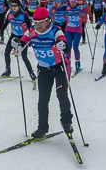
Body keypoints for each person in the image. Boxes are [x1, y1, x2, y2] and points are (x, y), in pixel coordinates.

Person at [19, 7, 72, 138]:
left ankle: (66, 122)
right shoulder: (31, 31)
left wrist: (62, 45)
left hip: (59, 68)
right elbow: (22, 41)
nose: (38, 25)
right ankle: (42, 128)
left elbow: (65, 45)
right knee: (43, 100)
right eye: (36, 22)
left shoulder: (55, 30)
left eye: (42, 22)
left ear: (48, 21)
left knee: (61, 96)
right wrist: (18, 44)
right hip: (43, 70)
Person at [1, 0, 35, 79]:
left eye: (15, 6)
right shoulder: (10, 14)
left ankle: (31, 72)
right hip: (14, 35)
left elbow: (30, 28)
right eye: (12, 5)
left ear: (19, 6)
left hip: (23, 37)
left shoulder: (24, 15)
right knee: (7, 52)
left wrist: (30, 39)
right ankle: (8, 69)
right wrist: (0, 33)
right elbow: (5, 23)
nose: (13, 7)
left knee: (24, 56)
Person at [62, 0, 85, 74]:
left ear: (76, 2)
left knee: (75, 47)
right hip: (68, 30)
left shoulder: (80, 7)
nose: (72, 3)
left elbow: (85, 13)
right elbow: (61, 12)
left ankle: (77, 64)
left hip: (77, 30)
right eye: (71, 2)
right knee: (68, 47)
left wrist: (83, 10)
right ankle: (68, 64)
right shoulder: (67, 7)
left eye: (74, 2)